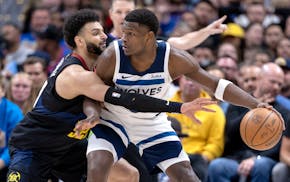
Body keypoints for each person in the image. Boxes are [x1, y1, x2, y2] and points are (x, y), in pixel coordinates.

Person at [7, 9, 215, 182]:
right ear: (80, 41)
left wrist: (203, 33)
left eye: (103, 31)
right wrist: (177, 107)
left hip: (68, 147)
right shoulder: (76, 74)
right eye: (96, 32)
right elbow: (127, 99)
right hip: (35, 147)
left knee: (129, 174)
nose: (104, 36)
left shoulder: (106, 56)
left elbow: (165, 44)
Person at [87, 8, 272, 182]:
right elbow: (91, 92)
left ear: (149, 37)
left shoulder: (172, 58)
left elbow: (216, 85)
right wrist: (93, 114)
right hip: (113, 120)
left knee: (187, 176)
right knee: (97, 167)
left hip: (151, 123)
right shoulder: (113, 55)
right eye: (123, 32)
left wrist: (254, 104)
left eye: (131, 34)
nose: (123, 38)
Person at [208, 63, 290, 182]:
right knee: (217, 166)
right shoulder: (237, 102)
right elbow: (229, 133)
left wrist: (255, 158)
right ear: (260, 79)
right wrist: (253, 109)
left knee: (260, 166)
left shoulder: (283, 112)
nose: (276, 87)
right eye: (273, 82)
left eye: (279, 84)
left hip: (264, 159)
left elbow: (278, 146)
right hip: (235, 158)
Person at [167, 75, 226, 181]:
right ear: (180, 81)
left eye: (194, 80)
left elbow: (216, 144)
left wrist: (204, 157)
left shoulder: (215, 111)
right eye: (187, 79)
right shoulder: (167, 105)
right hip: (169, 155)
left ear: (202, 84)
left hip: (197, 158)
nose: (190, 83)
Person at [0, 76, 23, 181]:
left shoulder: (13, 112)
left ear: (3, 91)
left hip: (7, 165)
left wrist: (2, 161)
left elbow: (16, 145)